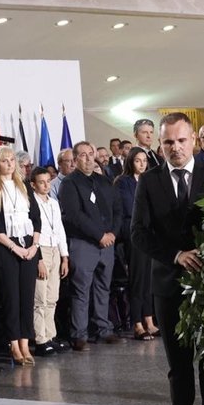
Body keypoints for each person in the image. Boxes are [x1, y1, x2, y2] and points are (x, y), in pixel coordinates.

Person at [132, 112, 204, 405]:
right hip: (168, 284)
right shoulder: (149, 182)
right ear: (160, 144)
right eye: (168, 142)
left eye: (182, 140)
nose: (176, 148)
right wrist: (176, 255)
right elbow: (139, 233)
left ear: (194, 140)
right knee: (179, 365)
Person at [60, 140, 123, 351]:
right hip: (83, 243)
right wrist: (99, 235)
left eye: (90, 154)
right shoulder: (69, 183)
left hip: (108, 244)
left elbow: (117, 208)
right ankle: (80, 335)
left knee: (103, 287)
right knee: (81, 290)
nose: (88, 158)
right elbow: (74, 215)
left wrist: (113, 232)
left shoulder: (104, 181)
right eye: (83, 155)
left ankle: (103, 329)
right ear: (75, 159)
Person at [0, 146, 41, 366]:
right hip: (6, 248)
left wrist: (34, 245)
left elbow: (36, 218)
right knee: (11, 298)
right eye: (4, 161)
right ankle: (14, 345)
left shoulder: (24, 186)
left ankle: (26, 343)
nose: (9, 164)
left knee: (27, 297)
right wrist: (14, 248)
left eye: (12, 160)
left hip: (29, 246)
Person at [117, 147, 158, 340]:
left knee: (150, 281)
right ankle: (137, 323)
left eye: (144, 160)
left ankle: (149, 321)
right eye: (137, 161)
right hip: (134, 237)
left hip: (151, 236)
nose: (142, 164)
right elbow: (127, 210)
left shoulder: (150, 181)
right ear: (130, 162)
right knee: (138, 281)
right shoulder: (123, 182)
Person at [30, 167, 69, 355]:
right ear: (33, 185)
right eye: (41, 182)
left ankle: (50, 336)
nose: (46, 185)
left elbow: (60, 229)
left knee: (53, 296)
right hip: (41, 250)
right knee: (40, 298)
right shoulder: (31, 203)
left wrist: (64, 256)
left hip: (54, 249)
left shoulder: (53, 202)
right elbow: (32, 233)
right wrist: (38, 259)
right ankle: (40, 339)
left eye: (48, 181)